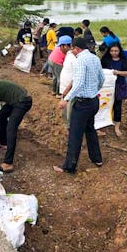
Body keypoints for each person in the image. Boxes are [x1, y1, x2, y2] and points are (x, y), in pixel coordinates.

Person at [54, 37, 105, 175]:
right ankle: (97, 159)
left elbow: (79, 83)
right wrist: (94, 90)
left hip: (83, 104)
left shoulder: (80, 61)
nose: (72, 51)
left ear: (76, 48)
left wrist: (66, 99)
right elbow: (102, 79)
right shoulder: (94, 58)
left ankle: (69, 167)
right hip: (94, 101)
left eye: (73, 49)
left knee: (75, 135)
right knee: (90, 130)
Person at [100, 43, 127, 137]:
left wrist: (118, 72)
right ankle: (100, 124)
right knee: (103, 104)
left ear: (119, 51)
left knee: (117, 106)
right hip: (106, 87)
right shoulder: (105, 60)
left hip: (119, 86)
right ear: (109, 51)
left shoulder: (123, 60)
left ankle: (117, 126)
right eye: (112, 51)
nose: (114, 53)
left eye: (116, 51)